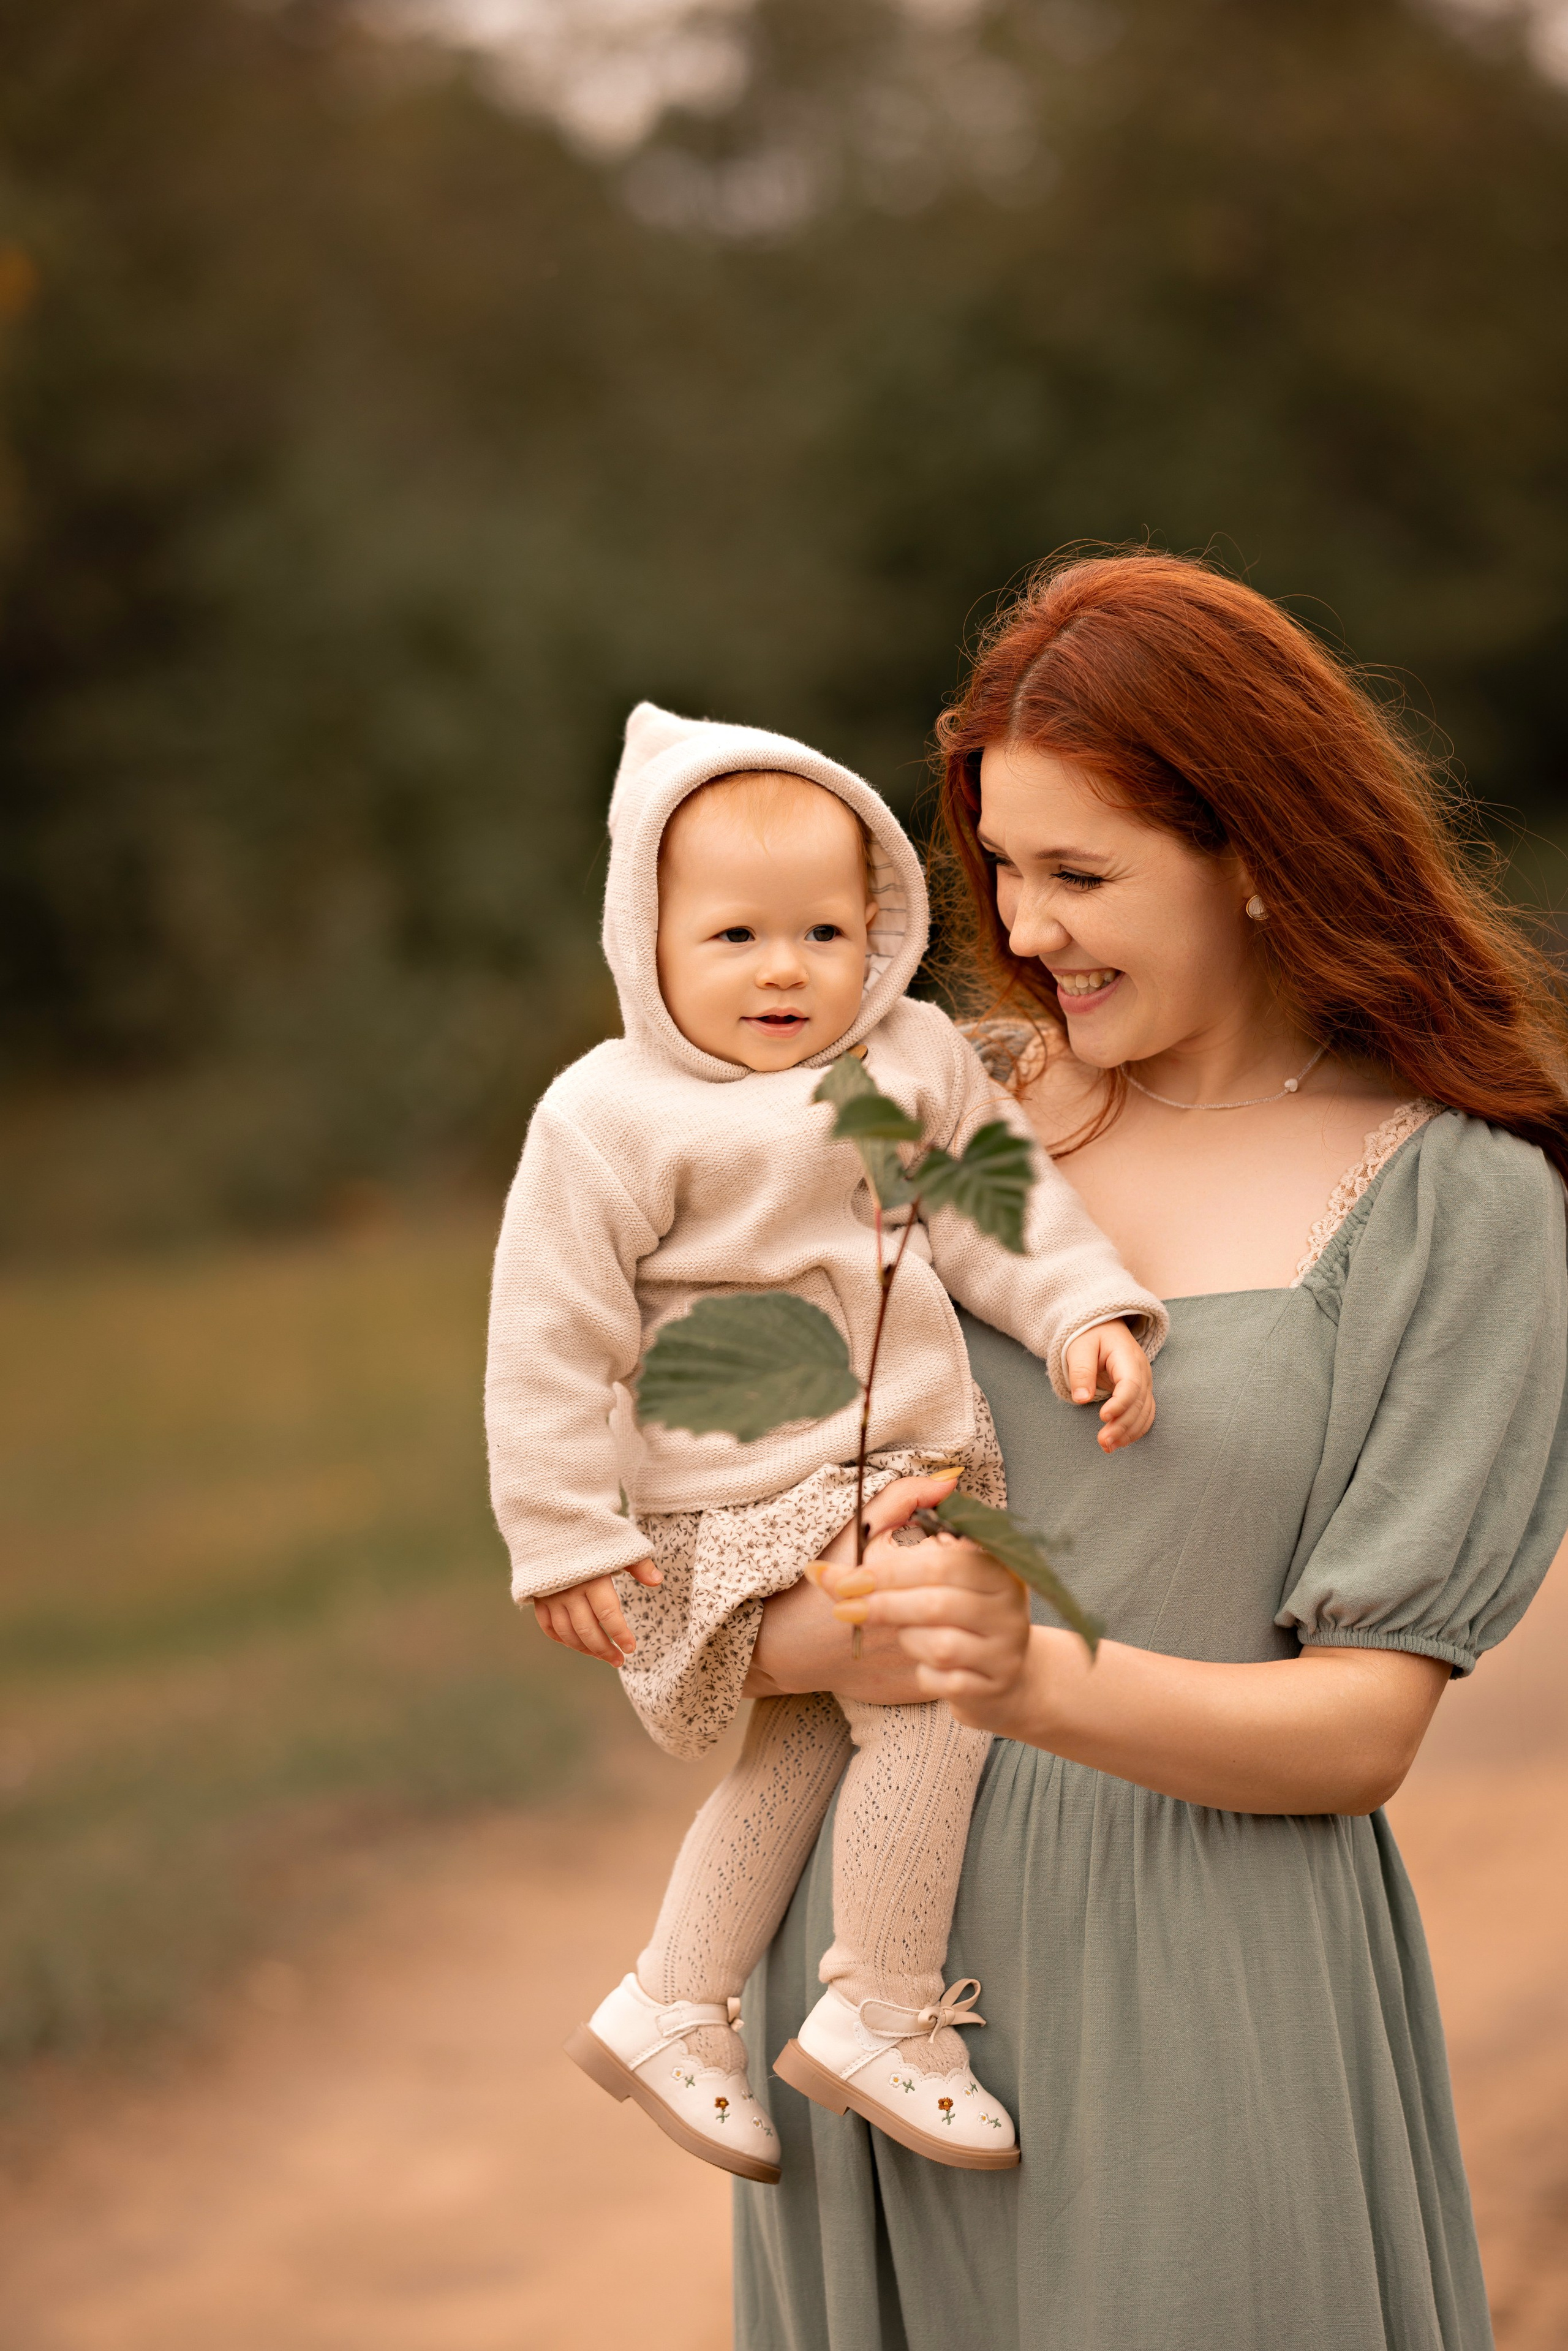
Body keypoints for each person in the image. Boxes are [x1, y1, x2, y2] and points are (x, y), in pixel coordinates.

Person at [733, 550, 1568, 2351]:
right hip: (860, 1981)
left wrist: (1031, 1676)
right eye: (1004, 868)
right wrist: (820, 1627)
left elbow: (1363, 1726)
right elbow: (706, 1562)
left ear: (1259, 852)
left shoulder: (1462, 1201)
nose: (1025, 927)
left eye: (1082, 872)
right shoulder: (925, 1112)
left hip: (1204, 1984)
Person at [486, 702, 1165, 2186]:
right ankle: (884, 2004)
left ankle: (673, 1993)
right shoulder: (608, 1116)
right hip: (721, 1503)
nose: (784, 969)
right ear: (644, 941)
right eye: (732, 936)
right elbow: (548, 1337)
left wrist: (1078, 1314)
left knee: (805, 1735)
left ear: (880, 930)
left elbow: (999, 1201)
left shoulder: (908, 1056)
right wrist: (561, 1529)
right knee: (931, 1690)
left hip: (869, 1474)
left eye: (820, 932)